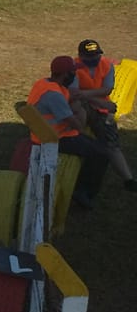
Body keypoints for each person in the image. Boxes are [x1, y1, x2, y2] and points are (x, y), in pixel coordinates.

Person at [27, 55, 109, 207]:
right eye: (73, 73)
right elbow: (78, 125)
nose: (75, 75)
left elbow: (69, 99)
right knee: (101, 154)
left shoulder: (44, 84)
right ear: (66, 75)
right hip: (56, 137)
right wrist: (81, 111)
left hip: (45, 132)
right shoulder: (54, 96)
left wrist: (78, 103)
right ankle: (83, 192)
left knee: (96, 147)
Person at [70, 38, 137, 192]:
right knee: (77, 112)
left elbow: (107, 90)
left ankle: (129, 180)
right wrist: (98, 100)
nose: (94, 59)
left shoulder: (107, 65)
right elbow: (73, 94)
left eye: (96, 55)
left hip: (101, 109)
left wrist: (85, 94)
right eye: (89, 57)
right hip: (87, 105)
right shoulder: (73, 68)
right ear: (80, 55)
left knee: (111, 143)